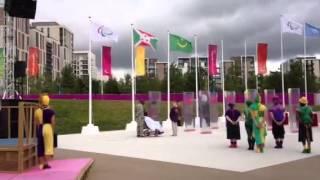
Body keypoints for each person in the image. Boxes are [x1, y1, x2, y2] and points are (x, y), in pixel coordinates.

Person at [34, 94, 56, 170]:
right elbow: (53, 122)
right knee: (48, 146)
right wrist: (52, 129)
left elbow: (36, 122)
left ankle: (41, 164)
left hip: (40, 128)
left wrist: (39, 128)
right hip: (48, 127)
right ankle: (46, 163)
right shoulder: (51, 111)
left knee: (40, 145)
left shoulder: (37, 111)